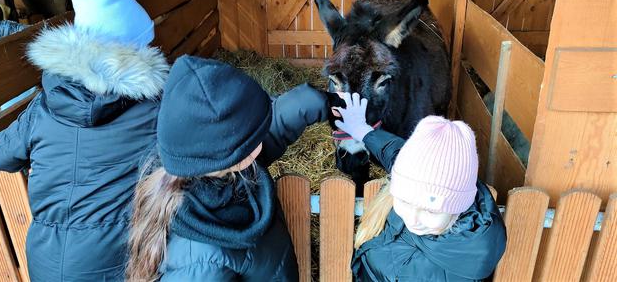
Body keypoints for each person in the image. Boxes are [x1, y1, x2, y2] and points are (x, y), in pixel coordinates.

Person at [0, 0, 167, 281]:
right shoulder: (155, 110)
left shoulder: (44, 107)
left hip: (44, 260)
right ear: (133, 51)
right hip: (112, 263)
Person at [127, 55, 330, 281]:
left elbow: (265, 133)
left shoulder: (208, 166)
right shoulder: (201, 264)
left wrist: (310, 102)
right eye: (254, 135)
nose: (261, 138)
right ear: (235, 153)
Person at [333, 93, 507, 281]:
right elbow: (395, 153)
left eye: (431, 211)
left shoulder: (454, 273)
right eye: (404, 200)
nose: (413, 219)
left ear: (458, 208)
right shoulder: (436, 187)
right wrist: (363, 131)